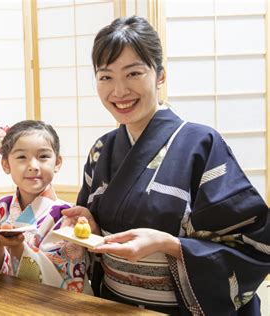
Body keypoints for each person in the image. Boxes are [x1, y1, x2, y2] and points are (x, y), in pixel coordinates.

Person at [61, 16, 270, 315]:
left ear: (160, 75)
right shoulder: (101, 150)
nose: (119, 91)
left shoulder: (201, 144)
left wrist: (170, 244)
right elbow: (97, 236)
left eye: (133, 73)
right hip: (113, 306)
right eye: (106, 76)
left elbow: (254, 244)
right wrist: (90, 226)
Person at [0, 120, 89, 293]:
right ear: (6, 164)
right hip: (3, 301)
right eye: (22, 157)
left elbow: (65, 281)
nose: (33, 166)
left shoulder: (67, 216)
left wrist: (18, 247)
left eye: (43, 156)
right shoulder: (2, 207)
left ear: (58, 163)